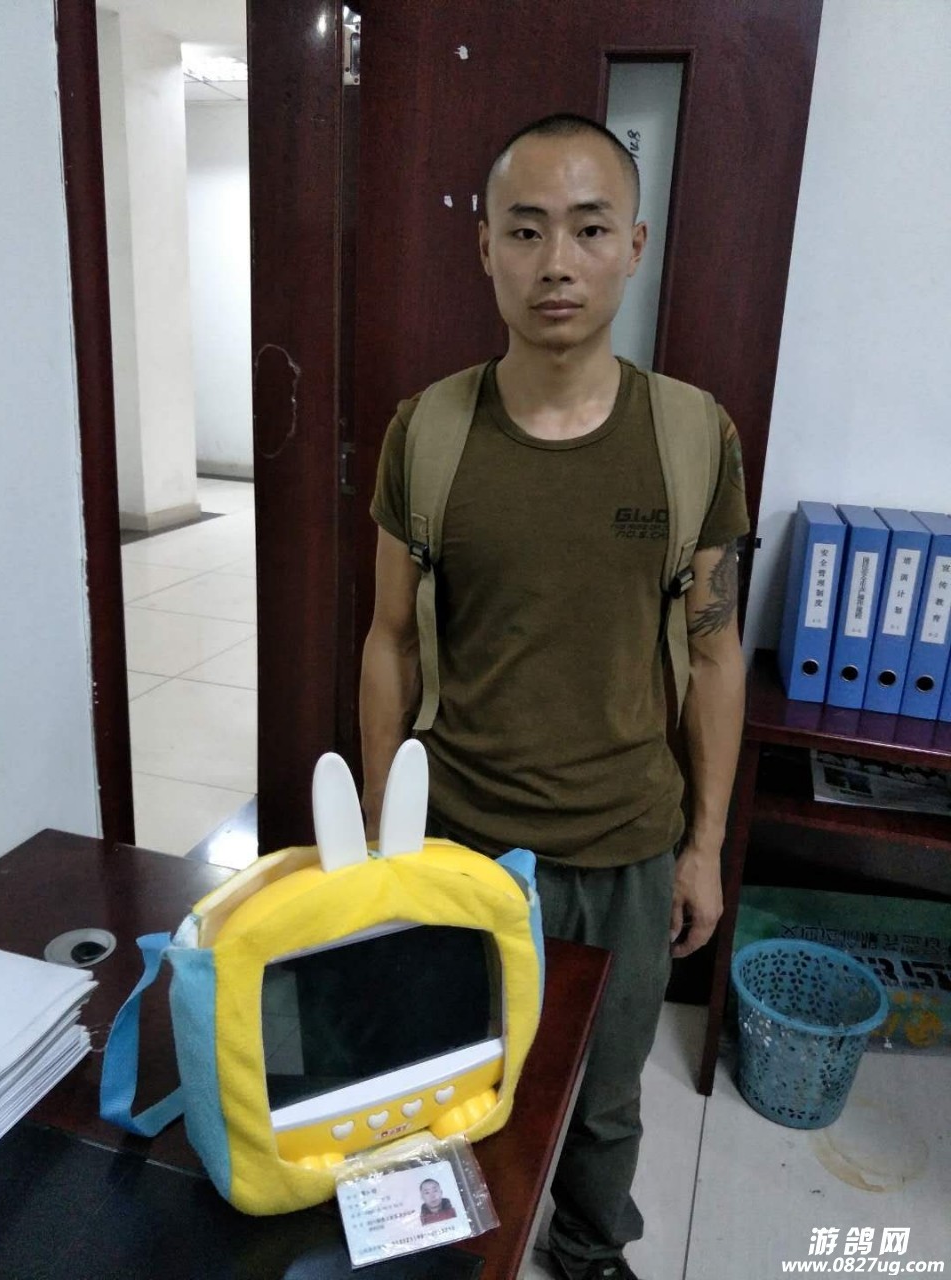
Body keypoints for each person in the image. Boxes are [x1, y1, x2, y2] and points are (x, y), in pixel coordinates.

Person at [359, 114, 749, 1280]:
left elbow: (715, 653)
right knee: (444, 1070)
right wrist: (382, 832)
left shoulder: (691, 435)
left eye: (588, 229)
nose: (557, 263)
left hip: (625, 847)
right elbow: (387, 638)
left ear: (635, 244)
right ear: (485, 247)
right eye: (525, 231)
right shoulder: (429, 431)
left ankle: (584, 1247)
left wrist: (703, 847)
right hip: (460, 835)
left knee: (606, 1089)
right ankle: (450, 1248)